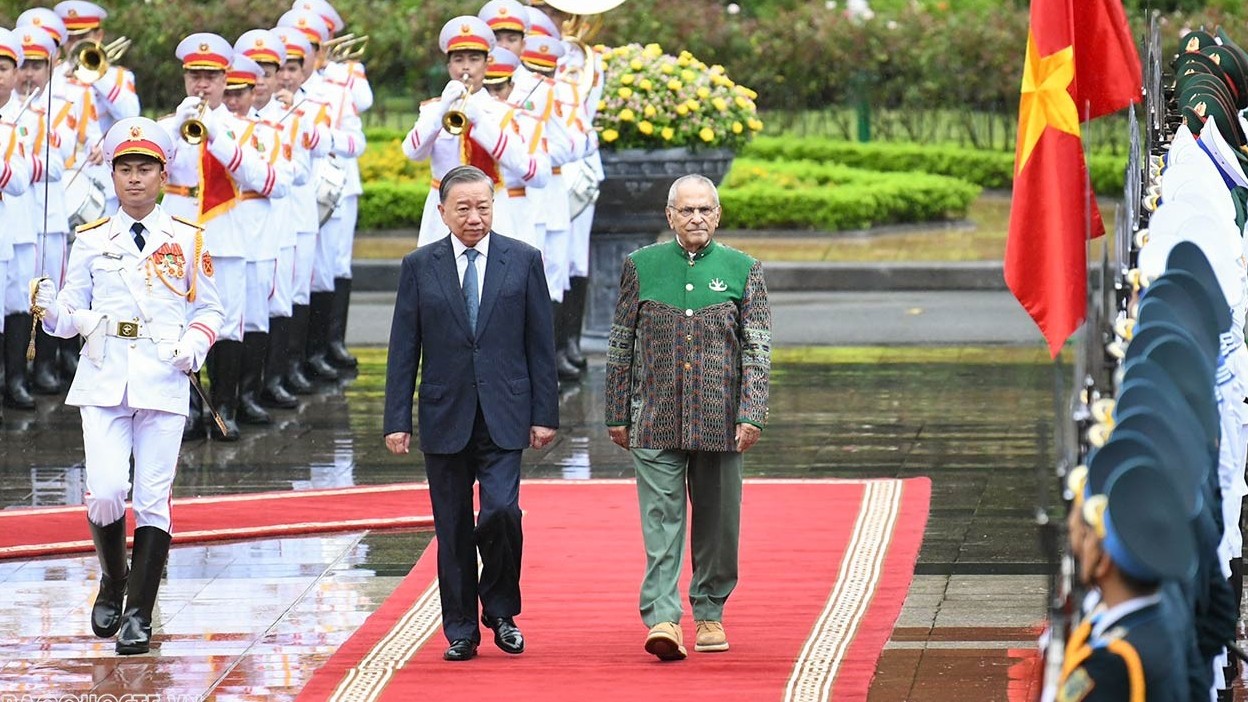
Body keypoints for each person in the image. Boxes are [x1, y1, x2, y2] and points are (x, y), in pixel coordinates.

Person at [31, 116, 224, 655]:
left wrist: (195, 344)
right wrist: (52, 311)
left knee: (153, 497)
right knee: (108, 491)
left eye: (145, 169)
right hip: (104, 373)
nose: (134, 179)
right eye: (125, 169)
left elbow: (211, 309)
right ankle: (114, 579)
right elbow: (69, 313)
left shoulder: (187, 238)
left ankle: (139, 612)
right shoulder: (91, 240)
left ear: (163, 176)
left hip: (163, 375)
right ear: (112, 176)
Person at [383, 165, 558, 662]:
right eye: (463, 208)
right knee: (453, 525)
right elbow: (404, 348)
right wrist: (397, 419)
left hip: (505, 410)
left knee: (502, 511)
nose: (474, 217)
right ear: (442, 212)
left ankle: (501, 610)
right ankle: (461, 629)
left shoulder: (522, 261)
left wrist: (544, 413)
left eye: (483, 206)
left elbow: (540, 344)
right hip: (445, 413)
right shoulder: (420, 266)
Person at [605, 173, 771, 661]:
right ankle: (661, 617)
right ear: (669, 215)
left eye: (705, 210)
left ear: (717, 216)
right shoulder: (641, 265)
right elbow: (620, 347)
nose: (696, 218)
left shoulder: (744, 269)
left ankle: (710, 611)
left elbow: (758, 351)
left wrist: (752, 414)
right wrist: (617, 412)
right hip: (654, 417)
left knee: (719, 525)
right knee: (661, 520)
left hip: (721, 421)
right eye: (686, 210)